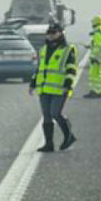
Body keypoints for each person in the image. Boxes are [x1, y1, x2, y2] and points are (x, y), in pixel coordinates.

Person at [32, 22, 80, 150]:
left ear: (60, 33)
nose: (51, 35)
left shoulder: (67, 49)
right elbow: (39, 69)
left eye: (54, 33)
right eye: (49, 33)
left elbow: (71, 68)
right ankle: (49, 144)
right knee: (46, 116)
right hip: (43, 88)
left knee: (55, 113)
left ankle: (69, 135)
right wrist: (32, 83)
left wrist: (68, 84)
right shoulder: (43, 50)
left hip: (60, 88)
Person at [85, 17, 101, 98]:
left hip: (96, 58)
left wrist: (93, 57)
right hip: (100, 57)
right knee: (99, 75)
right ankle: (100, 91)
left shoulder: (98, 32)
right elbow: (98, 44)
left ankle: (94, 91)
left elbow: (98, 46)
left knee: (93, 75)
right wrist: (90, 45)